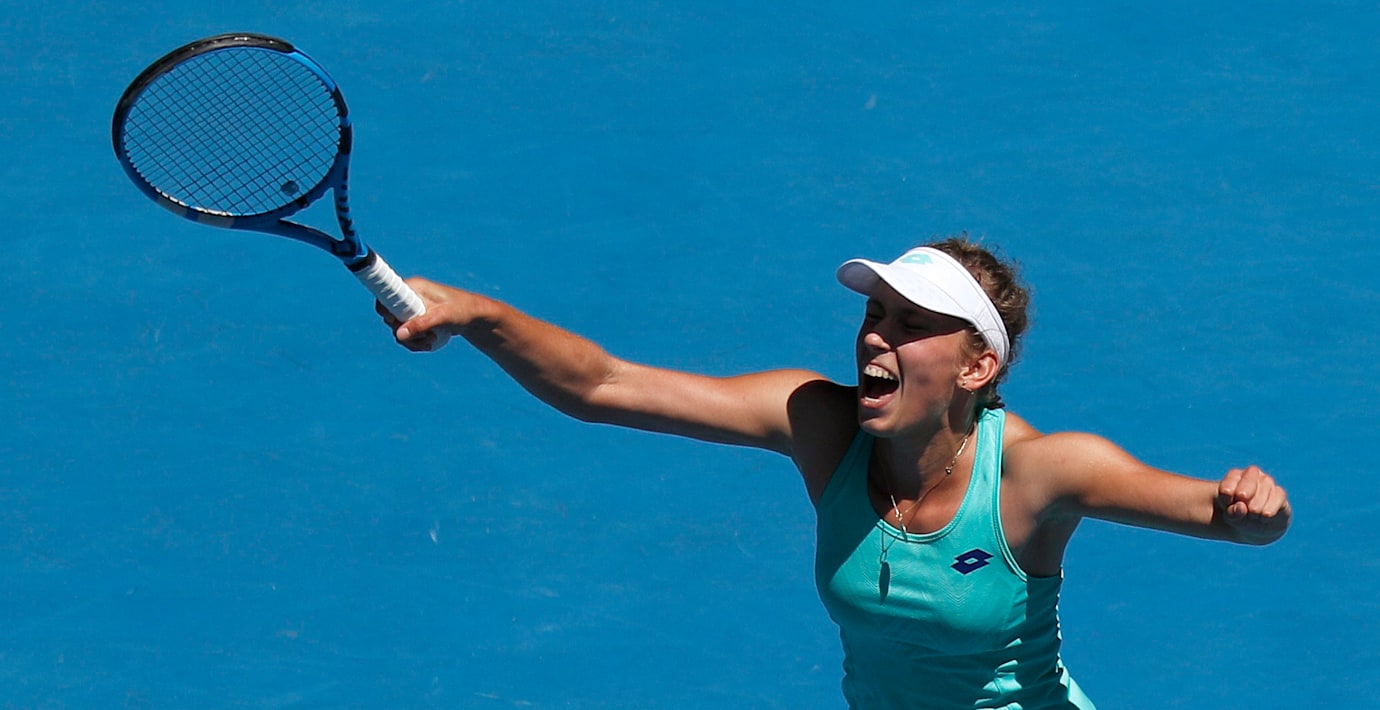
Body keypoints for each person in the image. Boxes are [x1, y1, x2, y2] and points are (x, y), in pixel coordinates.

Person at [378, 237, 1291, 709]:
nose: (876, 336)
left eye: (911, 324)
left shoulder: (1039, 475)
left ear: (977, 367)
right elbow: (604, 385)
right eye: (875, 314)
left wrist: (1254, 511)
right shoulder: (820, 425)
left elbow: (1224, 517)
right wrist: (479, 316)